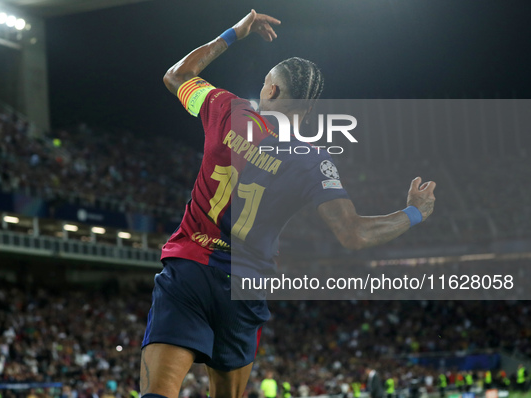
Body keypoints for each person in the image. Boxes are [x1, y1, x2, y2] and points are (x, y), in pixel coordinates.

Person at [140, 9, 437, 398]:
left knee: (157, 392)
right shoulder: (315, 161)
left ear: (273, 92)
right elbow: (353, 234)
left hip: (189, 269)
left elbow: (176, 75)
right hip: (243, 286)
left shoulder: (227, 110)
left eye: (265, 83)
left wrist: (234, 33)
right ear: (309, 108)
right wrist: (415, 212)